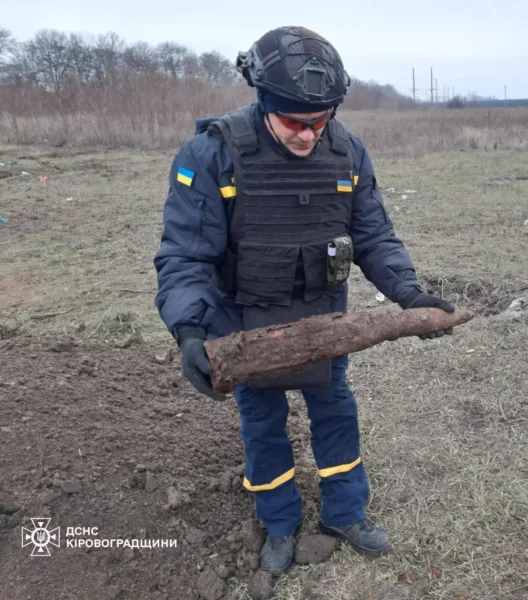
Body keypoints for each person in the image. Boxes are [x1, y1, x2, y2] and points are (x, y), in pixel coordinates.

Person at [153, 26, 454, 574]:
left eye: (320, 120)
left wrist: (410, 294)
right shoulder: (211, 155)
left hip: (323, 316)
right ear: (263, 101)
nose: (309, 134)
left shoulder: (348, 150)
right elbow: (186, 255)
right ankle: (278, 523)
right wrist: (190, 331)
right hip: (244, 322)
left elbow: (374, 236)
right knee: (261, 421)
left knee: (336, 411)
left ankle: (345, 513)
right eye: (294, 122)